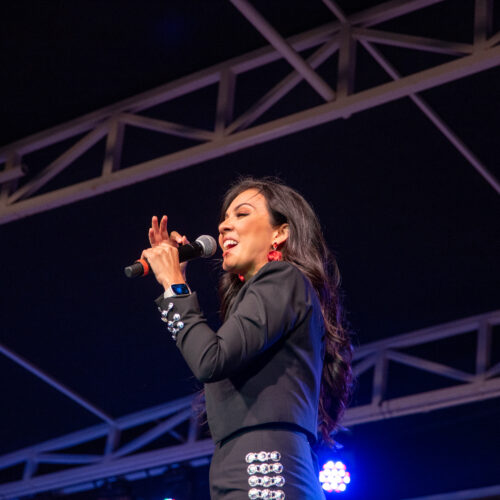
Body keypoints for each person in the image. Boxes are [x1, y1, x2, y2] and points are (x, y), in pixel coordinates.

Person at [141, 178, 353, 500]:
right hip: (246, 467)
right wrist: (177, 282)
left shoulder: (283, 278)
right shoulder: (263, 298)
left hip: (268, 469)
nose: (224, 226)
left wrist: (173, 284)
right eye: (224, 218)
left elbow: (209, 360)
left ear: (280, 233)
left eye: (241, 214)